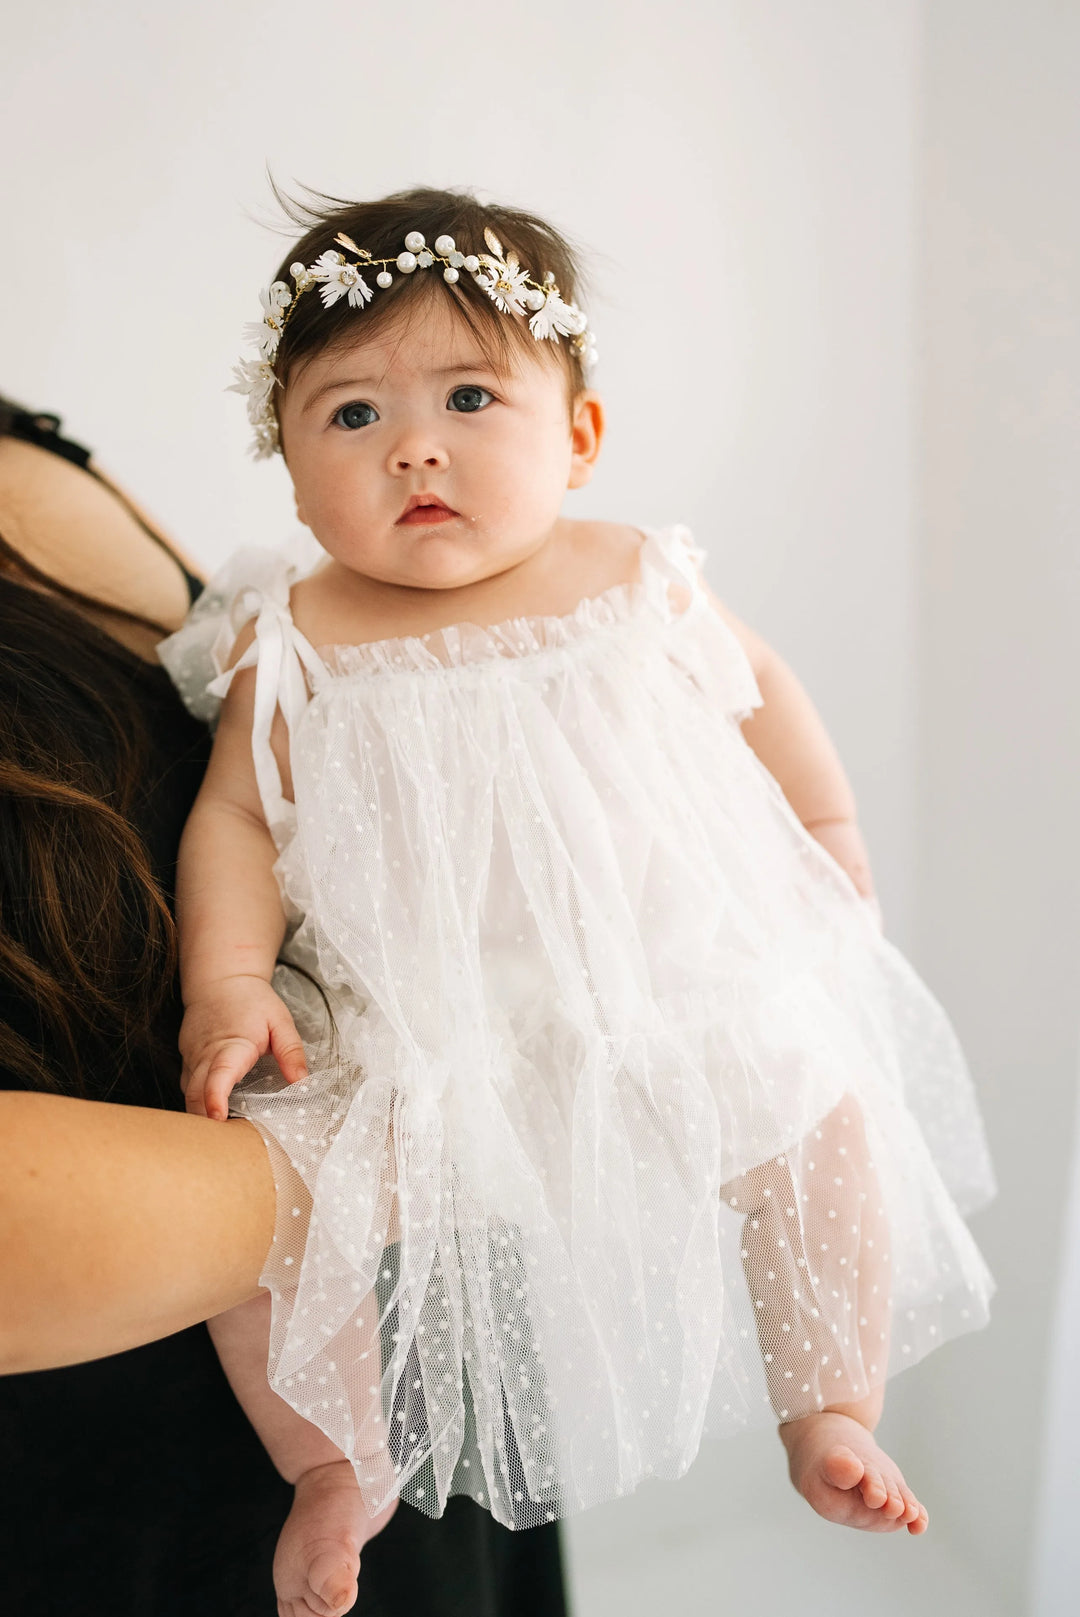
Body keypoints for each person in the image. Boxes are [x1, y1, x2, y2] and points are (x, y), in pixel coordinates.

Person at [162, 185, 995, 1614]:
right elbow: (233, 817)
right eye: (351, 416)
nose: (413, 444)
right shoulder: (294, 638)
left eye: (469, 396)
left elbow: (763, 695)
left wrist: (828, 825)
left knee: (818, 1120)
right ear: (296, 482)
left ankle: (830, 1402)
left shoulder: (626, 574)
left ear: (580, 437)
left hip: (655, 994)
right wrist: (228, 985)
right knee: (260, 1234)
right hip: (412, 1036)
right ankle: (335, 1462)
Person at [0, 397, 569, 1617]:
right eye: (356, 410)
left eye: (473, 397)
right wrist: (441, 1146)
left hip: (422, 1344)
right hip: (130, 1520)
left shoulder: (33, 447)